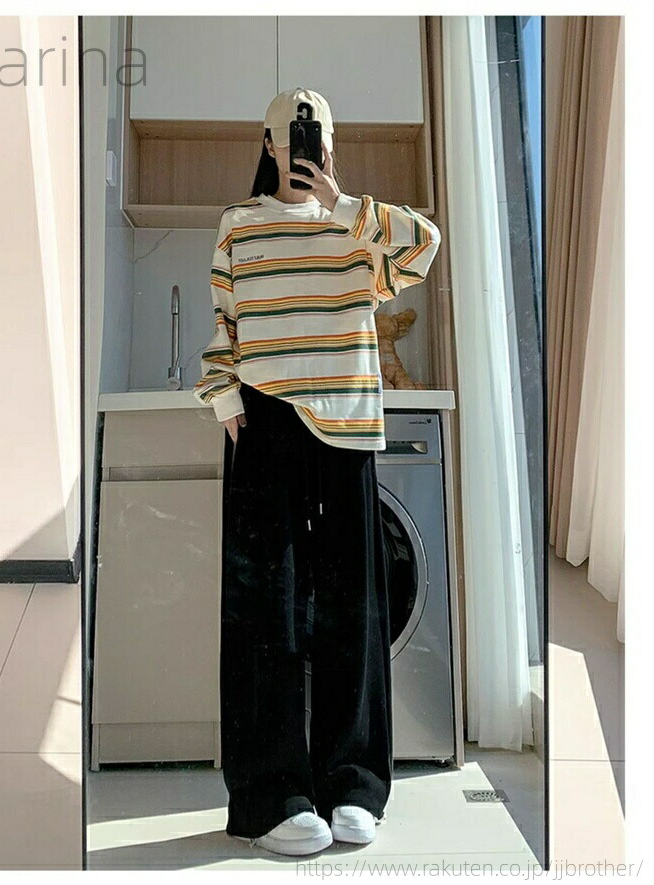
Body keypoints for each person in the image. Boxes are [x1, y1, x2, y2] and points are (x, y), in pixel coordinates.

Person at [194, 88, 442, 856]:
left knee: (350, 606)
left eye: (316, 136)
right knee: (266, 610)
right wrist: (223, 397)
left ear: (330, 144)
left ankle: (353, 783)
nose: (304, 147)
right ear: (269, 143)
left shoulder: (356, 226)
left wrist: (344, 203)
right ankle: (271, 794)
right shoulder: (239, 224)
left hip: (347, 422)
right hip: (265, 421)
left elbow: (425, 247)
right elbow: (224, 322)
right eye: (292, 135)